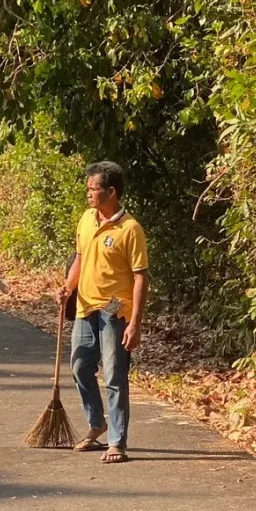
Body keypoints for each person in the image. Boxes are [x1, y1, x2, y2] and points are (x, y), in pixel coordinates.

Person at [55, 161, 148, 465]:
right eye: (88, 189)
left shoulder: (130, 229)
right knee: (80, 366)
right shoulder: (86, 219)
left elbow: (140, 278)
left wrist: (135, 323)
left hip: (115, 310)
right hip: (85, 306)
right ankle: (97, 423)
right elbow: (80, 259)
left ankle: (117, 441)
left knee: (114, 375)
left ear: (111, 191)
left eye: (93, 189)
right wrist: (68, 287)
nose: (89, 194)